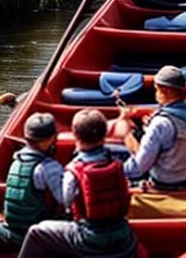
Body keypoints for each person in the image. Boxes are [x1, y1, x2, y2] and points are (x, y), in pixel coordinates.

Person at [19, 109, 137, 258]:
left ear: (75, 135)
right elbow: (135, 170)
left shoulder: (73, 171)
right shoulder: (118, 163)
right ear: (104, 136)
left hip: (89, 239)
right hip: (124, 237)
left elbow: (65, 201)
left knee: (37, 231)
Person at [0, 113, 64, 246]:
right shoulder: (47, 167)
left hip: (7, 233)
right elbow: (66, 200)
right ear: (50, 139)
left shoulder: (16, 160)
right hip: (35, 235)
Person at [123, 65, 186, 190]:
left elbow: (138, 168)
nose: (155, 93)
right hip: (185, 176)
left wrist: (126, 135)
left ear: (165, 90)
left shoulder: (160, 123)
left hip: (164, 183)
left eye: (156, 90)